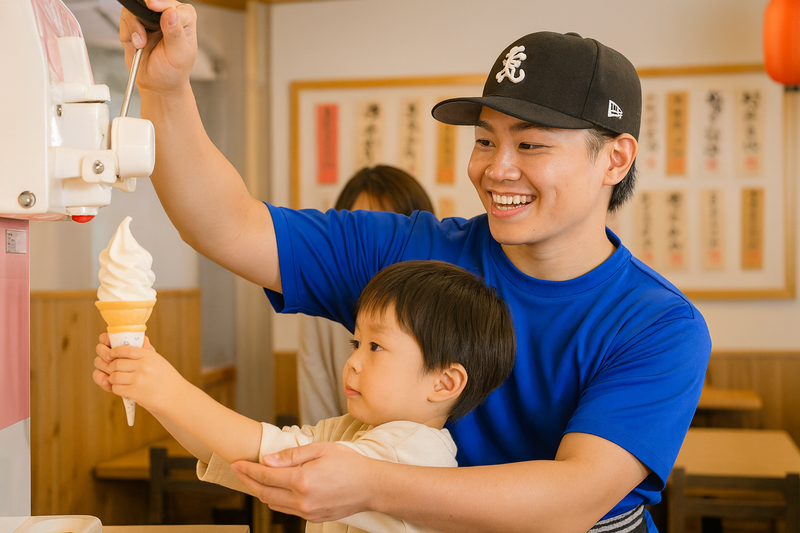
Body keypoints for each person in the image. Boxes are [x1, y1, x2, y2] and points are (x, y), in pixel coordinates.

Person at [118, 3, 712, 531]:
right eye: (485, 141)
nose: (496, 169)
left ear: (615, 159)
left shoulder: (658, 325)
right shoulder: (413, 257)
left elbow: (571, 501)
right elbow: (227, 227)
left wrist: (371, 483)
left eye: (530, 144)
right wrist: (167, 88)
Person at [93, 259, 516, 533]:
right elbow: (241, 458)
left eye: (375, 347)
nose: (352, 362)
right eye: (355, 344)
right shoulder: (355, 429)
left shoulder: (411, 450)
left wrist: (167, 389)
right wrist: (151, 395)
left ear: (444, 383)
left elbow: (269, 455)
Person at [298, 165, 435, 425]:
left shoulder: (442, 307)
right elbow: (316, 404)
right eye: (362, 233)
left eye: (393, 231)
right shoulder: (324, 307)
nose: (377, 247)